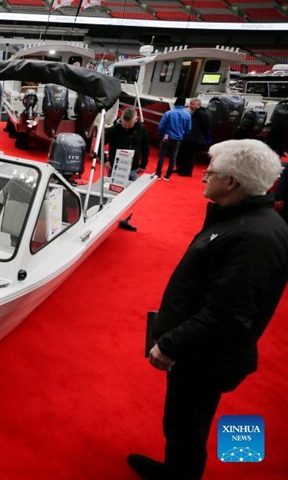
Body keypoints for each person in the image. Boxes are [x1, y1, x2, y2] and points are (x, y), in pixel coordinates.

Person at [129, 139, 288, 480]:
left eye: (211, 171)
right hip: (202, 351)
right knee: (182, 422)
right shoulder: (243, 221)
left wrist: (170, 345)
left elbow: (226, 315)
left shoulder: (253, 238)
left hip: (206, 356)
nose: (203, 176)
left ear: (232, 182)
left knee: (187, 425)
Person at [104, 107, 150, 181]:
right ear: (121, 118)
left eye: (129, 125)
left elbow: (145, 148)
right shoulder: (114, 129)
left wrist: (143, 164)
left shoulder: (142, 129)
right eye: (124, 125)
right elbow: (100, 143)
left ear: (135, 120)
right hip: (115, 166)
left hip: (133, 167)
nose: (126, 127)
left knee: (132, 190)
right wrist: (105, 161)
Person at [155, 97, 192, 180]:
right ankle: (168, 175)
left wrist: (160, 135)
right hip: (178, 138)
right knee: (173, 157)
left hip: (166, 137)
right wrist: (182, 135)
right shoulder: (188, 115)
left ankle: (158, 174)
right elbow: (188, 129)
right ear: (184, 105)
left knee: (162, 156)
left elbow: (161, 126)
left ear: (175, 104)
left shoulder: (169, 113)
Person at [175, 99, 211, 177]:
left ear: (198, 105)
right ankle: (180, 168)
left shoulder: (201, 114)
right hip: (188, 137)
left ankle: (187, 171)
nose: (191, 106)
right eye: (190, 104)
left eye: (193, 104)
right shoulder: (193, 113)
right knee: (182, 153)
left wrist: (200, 135)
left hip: (194, 138)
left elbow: (206, 126)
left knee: (190, 155)